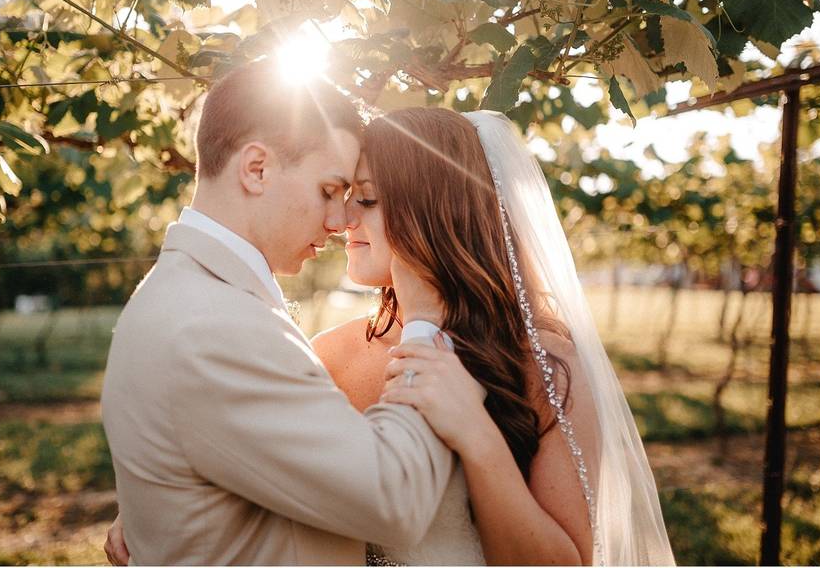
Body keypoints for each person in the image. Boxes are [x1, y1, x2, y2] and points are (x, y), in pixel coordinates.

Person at [107, 104, 676, 565]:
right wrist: (167, 502)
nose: (344, 220)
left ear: (438, 210)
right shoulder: (329, 352)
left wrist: (477, 439)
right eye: (340, 196)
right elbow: (271, 467)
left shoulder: (542, 365)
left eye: (368, 200)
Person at [100, 62, 459, 565]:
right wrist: (422, 325)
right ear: (256, 169)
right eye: (329, 191)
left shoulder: (176, 293)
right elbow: (394, 500)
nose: (339, 222)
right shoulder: (215, 327)